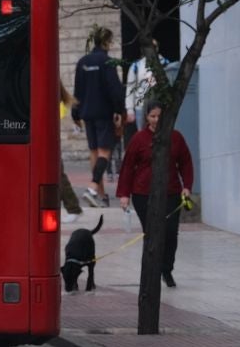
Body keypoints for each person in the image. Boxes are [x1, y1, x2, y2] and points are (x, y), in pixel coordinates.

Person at [116, 102, 194, 287]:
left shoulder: (175, 138)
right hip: (143, 194)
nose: (156, 120)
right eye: (152, 116)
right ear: (147, 118)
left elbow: (186, 163)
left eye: (160, 116)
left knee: (170, 233)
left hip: (171, 192)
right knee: (151, 234)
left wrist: (187, 186)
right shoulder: (139, 139)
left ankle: (166, 269)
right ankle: (151, 272)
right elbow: (127, 167)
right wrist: (124, 194)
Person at [71, 26, 123, 206]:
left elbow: (77, 90)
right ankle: (92, 188)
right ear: (107, 42)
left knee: (94, 152)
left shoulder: (82, 62)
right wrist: (119, 110)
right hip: (103, 113)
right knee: (105, 152)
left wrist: (75, 113)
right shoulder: (107, 62)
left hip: (86, 113)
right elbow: (115, 89)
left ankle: (100, 196)